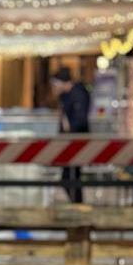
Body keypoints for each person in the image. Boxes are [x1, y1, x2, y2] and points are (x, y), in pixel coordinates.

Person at [51, 67, 90, 203]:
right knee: (69, 177)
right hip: (68, 142)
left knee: (71, 176)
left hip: (75, 141)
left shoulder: (78, 95)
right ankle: (77, 204)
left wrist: (69, 131)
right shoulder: (65, 97)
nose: (53, 88)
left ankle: (78, 204)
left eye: (55, 84)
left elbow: (79, 121)